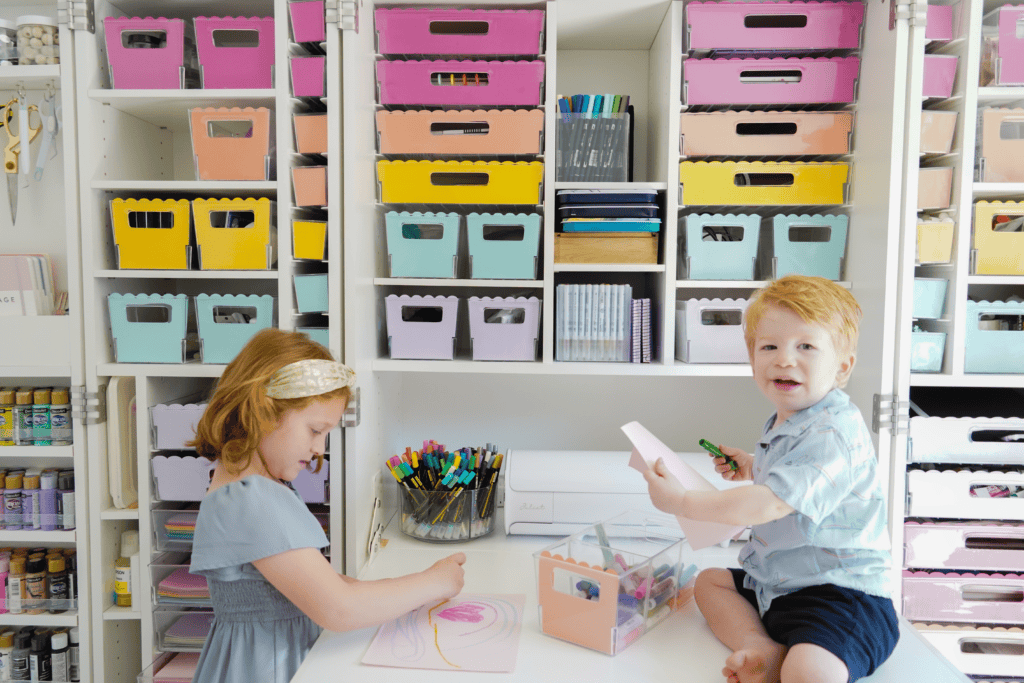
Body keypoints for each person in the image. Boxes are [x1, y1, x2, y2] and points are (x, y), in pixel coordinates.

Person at [643, 275, 897, 683]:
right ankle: (761, 645)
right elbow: (793, 479)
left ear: (842, 366)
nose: (784, 359)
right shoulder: (791, 418)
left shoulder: (835, 431)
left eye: (806, 347)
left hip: (840, 593)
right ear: (753, 359)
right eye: (769, 347)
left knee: (809, 672)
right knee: (709, 583)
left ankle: (791, 660)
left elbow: (772, 503)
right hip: (776, 585)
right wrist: (750, 465)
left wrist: (684, 502)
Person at [187, 329, 466, 683]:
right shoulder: (249, 500)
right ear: (264, 412)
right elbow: (339, 608)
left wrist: (410, 587)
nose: (320, 448)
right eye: (315, 429)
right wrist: (434, 582)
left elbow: (330, 586)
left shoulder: (255, 489)